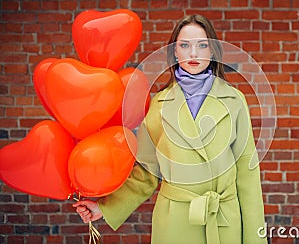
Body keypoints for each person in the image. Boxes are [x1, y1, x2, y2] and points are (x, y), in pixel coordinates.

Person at [73, 14, 267, 244]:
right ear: (175, 52)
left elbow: (248, 174)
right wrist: (105, 208)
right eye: (184, 45)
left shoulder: (234, 100)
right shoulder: (159, 105)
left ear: (212, 51)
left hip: (223, 221)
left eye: (202, 45)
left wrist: (256, 239)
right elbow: (146, 172)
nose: (193, 54)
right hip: (175, 223)